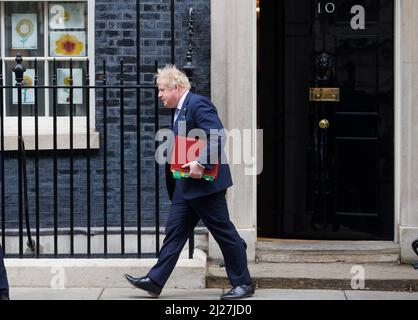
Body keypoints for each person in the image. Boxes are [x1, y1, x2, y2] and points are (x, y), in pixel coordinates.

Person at [124, 65, 254, 300]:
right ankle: (155, 281)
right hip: (186, 184)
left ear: (177, 87)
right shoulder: (180, 108)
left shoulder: (197, 104)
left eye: (162, 89)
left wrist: (201, 162)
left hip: (204, 185)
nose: (159, 95)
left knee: (223, 233)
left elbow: (217, 135)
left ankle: (243, 283)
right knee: (174, 232)